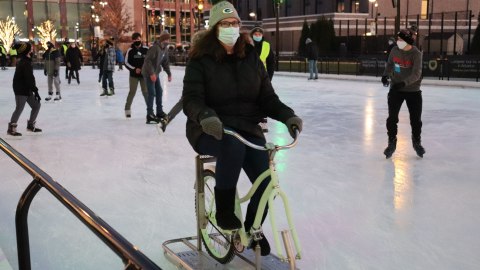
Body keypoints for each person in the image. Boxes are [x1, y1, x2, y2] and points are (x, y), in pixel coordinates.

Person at [182, 0, 303, 256]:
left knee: (267, 180)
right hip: (209, 128)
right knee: (232, 146)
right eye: (226, 24)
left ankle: (253, 228)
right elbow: (191, 99)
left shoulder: (251, 57)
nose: (231, 28)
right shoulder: (199, 60)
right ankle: (225, 208)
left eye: (235, 23)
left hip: (247, 127)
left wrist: (287, 116)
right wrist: (205, 116)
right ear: (215, 28)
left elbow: (267, 98)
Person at [381, 29, 425, 158]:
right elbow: (390, 65)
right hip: (396, 89)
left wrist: (404, 83)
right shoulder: (394, 51)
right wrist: (385, 75)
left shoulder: (416, 53)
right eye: (398, 39)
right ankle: (391, 142)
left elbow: (416, 74)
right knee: (392, 118)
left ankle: (416, 141)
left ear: (407, 41)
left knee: (416, 120)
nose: (398, 41)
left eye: (400, 39)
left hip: (413, 90)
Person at [7, 42, 42, 137]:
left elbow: (29, 78)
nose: (32, 50)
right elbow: (28, 78)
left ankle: (30, 125)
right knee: (19, 108)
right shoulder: (24, 62)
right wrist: (35, 90)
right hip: (21, 89)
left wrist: (33, 90)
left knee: (36, 105)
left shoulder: (26, 61)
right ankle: (11, 128)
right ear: (26, 51)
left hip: (27, 89)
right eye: (30, 49)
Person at [142, 31, 172, 124]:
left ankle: (159, 112)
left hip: (156, 72)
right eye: (166, 39)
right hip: (148, 72)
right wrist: (151, 73)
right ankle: (149, 115)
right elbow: (147, 61)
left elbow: (165, 62)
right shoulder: (154, 48)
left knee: (159, 91)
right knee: (152, 93)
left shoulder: (165, 49)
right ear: (162, 39)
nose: (167, 41)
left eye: (168, 39)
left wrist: (169, 73)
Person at [250, 26, 275, 132]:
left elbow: (271, 63)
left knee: (263, 98)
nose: (257, 36)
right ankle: (252, 119)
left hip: (263, 77)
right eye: (255, 34)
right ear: (252, 35)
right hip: (249, 77)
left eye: (259, 34)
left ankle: (263, 121)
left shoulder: (266, 45)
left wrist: (269, 77)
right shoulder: (248, 45)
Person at [124, 32, 149, 118]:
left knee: (146, 92)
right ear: (133, 41)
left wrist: (144, 69)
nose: (137, 41)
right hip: (134, 75)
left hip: (144, 75)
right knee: (132, 92)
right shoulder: (130, 51)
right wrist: (134, 69)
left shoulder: (146, 49)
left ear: (141, 39)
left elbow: (150, 61)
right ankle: (127, 109)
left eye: (138, 39)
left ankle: (150, 110)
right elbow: (126, 62)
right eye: (135, 40)